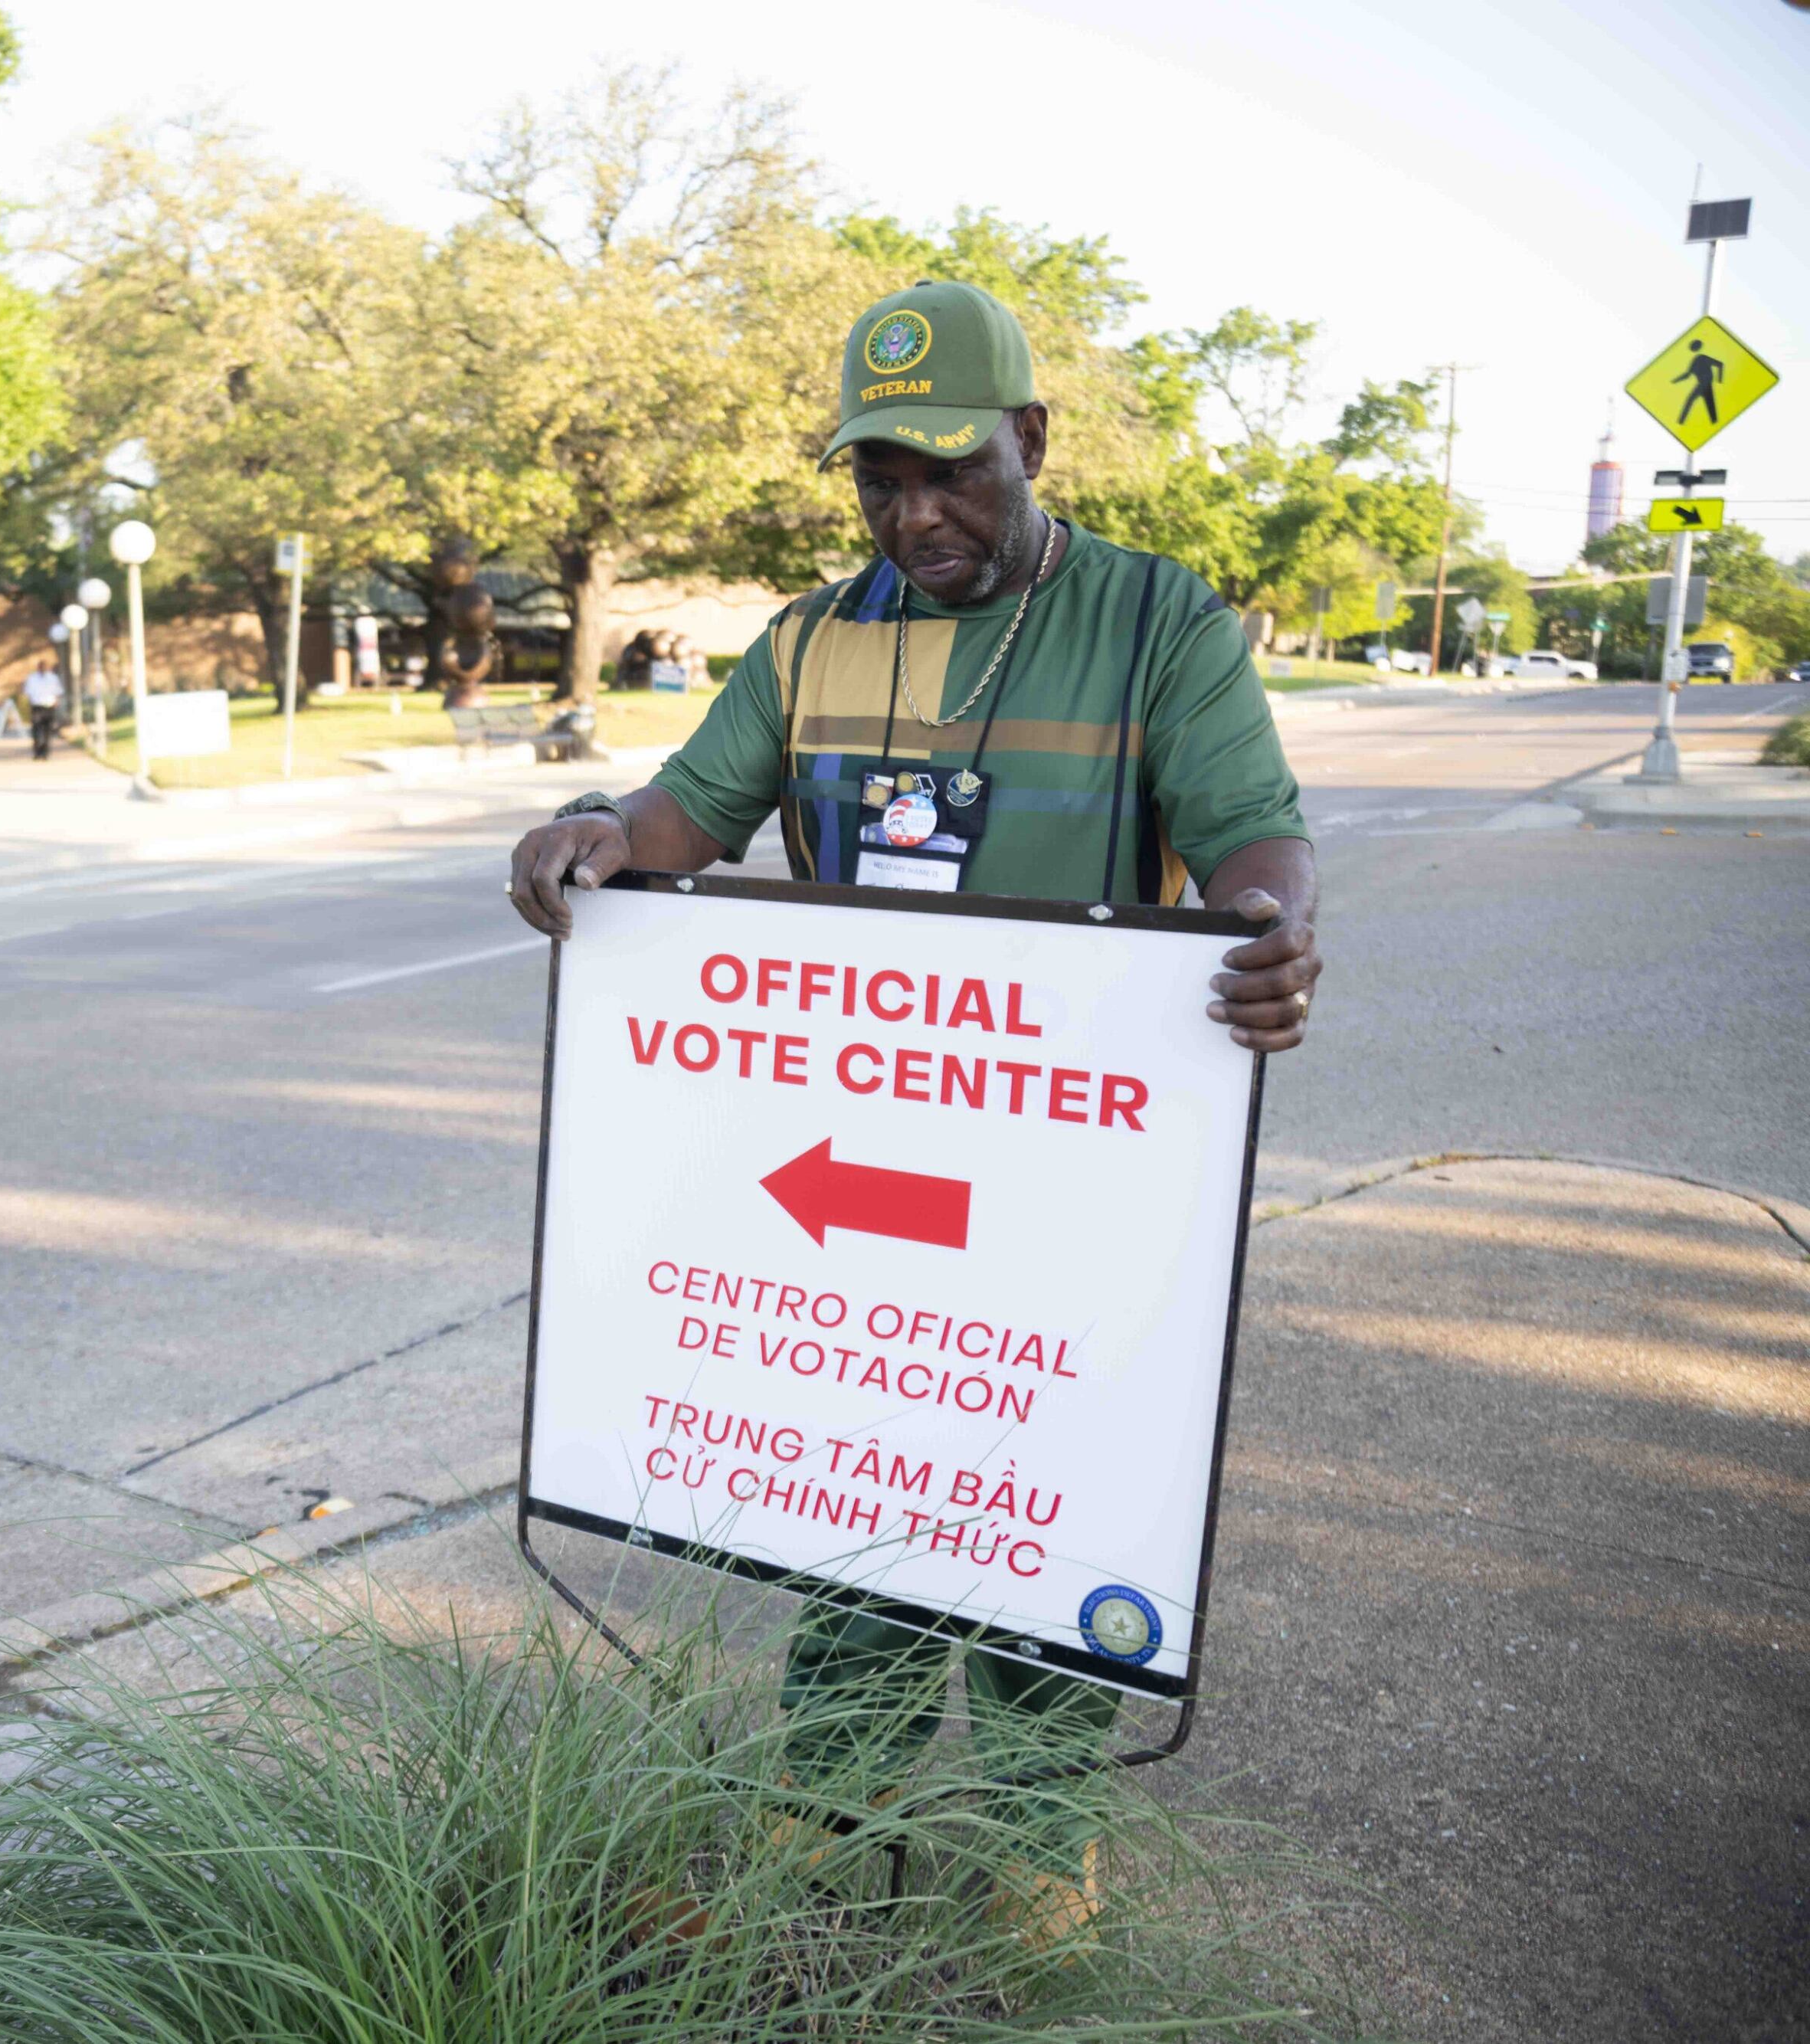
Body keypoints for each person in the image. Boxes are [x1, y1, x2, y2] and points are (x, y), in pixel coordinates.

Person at [504, 277, 1322, 1944]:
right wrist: (591, 827)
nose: (914, 514)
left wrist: (1268, 926)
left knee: (1041, 1494)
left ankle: (1033, 1836)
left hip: (1075, 1162)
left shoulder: (1155, 620)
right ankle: (827, 1806)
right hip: (862, 1152)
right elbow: (683, 814)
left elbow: (1250, 831)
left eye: (953, 471)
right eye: (879, 478)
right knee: (860, 1482)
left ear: (1032, 441)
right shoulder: (811, 639)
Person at [21, 657, 65, 760]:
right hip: (37, 707)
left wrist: (56, 701)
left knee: (47, 731)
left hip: (49, 707)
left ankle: (45, 752)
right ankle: (37, 752)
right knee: (36, 730)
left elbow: (58, 692)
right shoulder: (32, 678)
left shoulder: (53, 678)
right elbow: (27, 692)